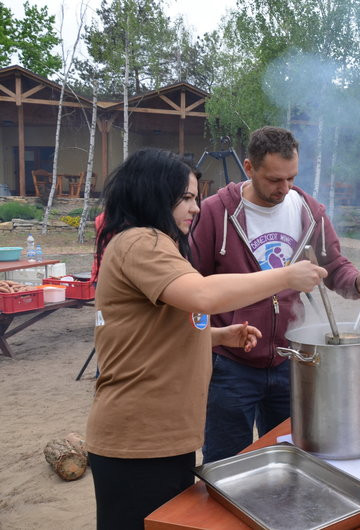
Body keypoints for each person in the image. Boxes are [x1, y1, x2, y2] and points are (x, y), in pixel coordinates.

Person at [85, 148, 326, 530]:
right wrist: (285, 276)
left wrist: (218, 336)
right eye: (185, 198)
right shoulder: (140, 243)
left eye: (196, 197)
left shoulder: (157, 244)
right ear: (153, 194)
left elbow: (152, 331)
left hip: (164, 438)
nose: (195, 208)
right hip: (139, 439)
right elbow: (202, 295)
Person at [190, 126, 360, 463]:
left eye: (291, 178)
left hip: (290, 358)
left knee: (292, 455)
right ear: (249, 168)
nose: (286, 188)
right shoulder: (215, 212)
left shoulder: (307, 211)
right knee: (226, 461)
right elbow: (192, 283)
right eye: (275, 180)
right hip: (230, 363)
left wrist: (356, 281)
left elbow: (333, 264)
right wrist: (208, 339)